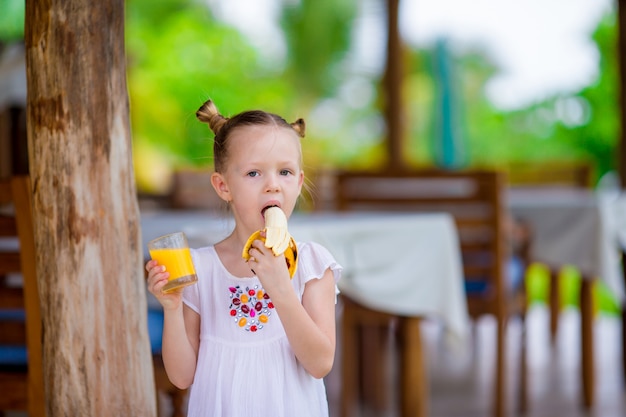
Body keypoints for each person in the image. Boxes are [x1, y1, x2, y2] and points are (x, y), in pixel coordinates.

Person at [146, 100, 342, 417]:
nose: (273, 185)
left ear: (299, 182)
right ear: (224, 186)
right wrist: (171, 309)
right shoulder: (201, 267)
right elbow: (182, 377)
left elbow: (320, 364)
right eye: (253, 172)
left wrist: (281, 288)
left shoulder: (311, 264)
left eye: (285, 172)